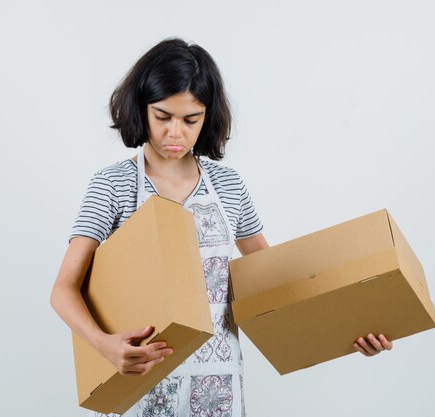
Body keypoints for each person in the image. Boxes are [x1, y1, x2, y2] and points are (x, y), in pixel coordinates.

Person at [50, 37, 393, 417]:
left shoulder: (229, 186)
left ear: (208, 116)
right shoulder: (112, 186)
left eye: (190, 119)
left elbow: (272, 287)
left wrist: (349, 331)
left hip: (220, 394)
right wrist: (105, 345)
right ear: (141, 110)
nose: (175, 133)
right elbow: (64, 289)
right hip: (142, 389)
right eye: (162, 116)